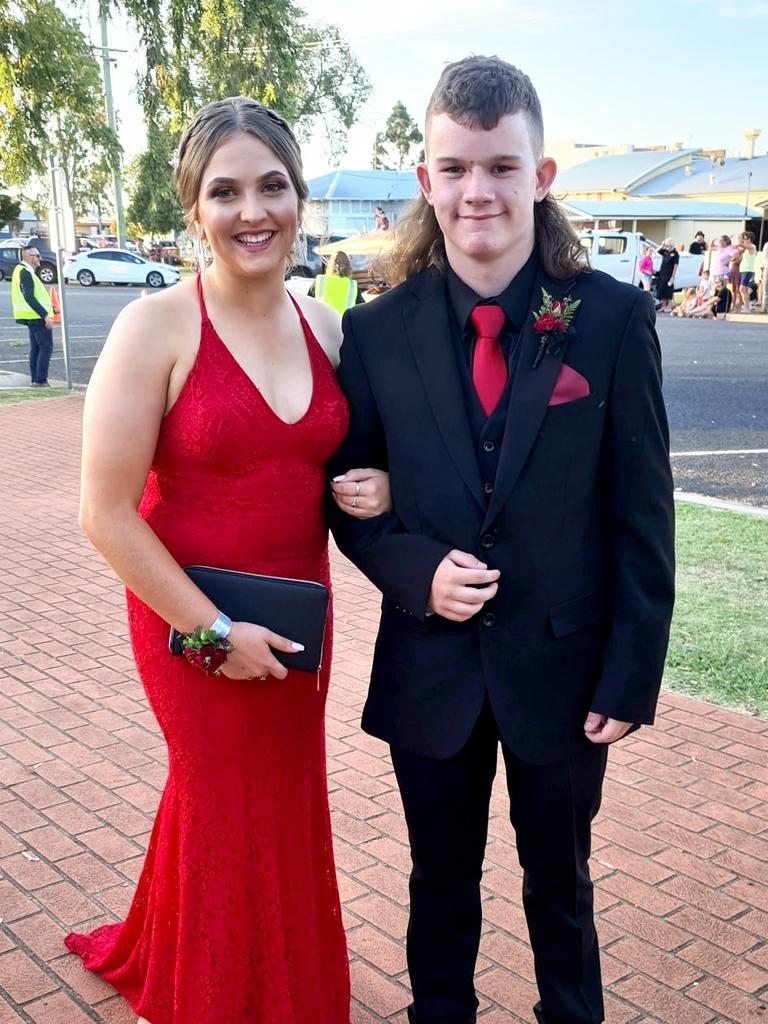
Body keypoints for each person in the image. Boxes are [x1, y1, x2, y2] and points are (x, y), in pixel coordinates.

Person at [327, 56, 674, 1024]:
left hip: (564, 672)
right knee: (438, 882)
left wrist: (628, 672)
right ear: (426, 180)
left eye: (501, 167)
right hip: (429, 666)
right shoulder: (380, 329)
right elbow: (348, 495)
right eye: (455, 168)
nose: (477, 190)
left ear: (542, 175)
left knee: (561, 885)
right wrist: (413, 569)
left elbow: (643, 510)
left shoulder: (609, 318)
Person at [64, 96, 394, 1024]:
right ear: (193, 211)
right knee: (221, 797)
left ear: (298, 197)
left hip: (295, 616)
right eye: (225, 192)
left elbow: (347, 466)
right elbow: (104, 512)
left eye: (273, 186)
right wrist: (210, 630)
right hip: (187, 617)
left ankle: (265, 977)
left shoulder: (327, 327)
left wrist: (382, 489)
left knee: (281, 798)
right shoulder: (154, 328)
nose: (253, 210)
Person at [11, 244, 54, 387]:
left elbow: (34, 296)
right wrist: (45, 315)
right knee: (45, 347)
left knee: (36, 348)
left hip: (31, 316)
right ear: (28, 257)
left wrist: (51, 308)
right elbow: (29, 297)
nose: (39, 258)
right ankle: (40, 380)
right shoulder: (25, 272)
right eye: (37, 256)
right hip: (35, 316)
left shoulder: (23, 271)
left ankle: (36, 379)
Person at [655, 238, 679, 312]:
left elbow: (675, 265)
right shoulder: (665, 252)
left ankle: (669, 306)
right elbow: (657, 251)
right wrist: (662, 245)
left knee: (668, 290)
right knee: (662, 289)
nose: (668, 248)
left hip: (669, 274)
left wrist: (673, 276)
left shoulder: (675, 254)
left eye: (669, 246)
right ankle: (663, 306)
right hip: (662, 273)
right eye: (667, 246)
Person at [738, 231, 757, 312]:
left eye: (745, 239)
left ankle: (746, 307)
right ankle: (747, 307)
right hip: (744, 270)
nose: (743, 240)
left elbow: (743, 245)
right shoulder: (746, 248)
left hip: (748, 270)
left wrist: (739, 243)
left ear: (749, 240)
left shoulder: (752, 246)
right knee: (744, 289)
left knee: (742, 288)